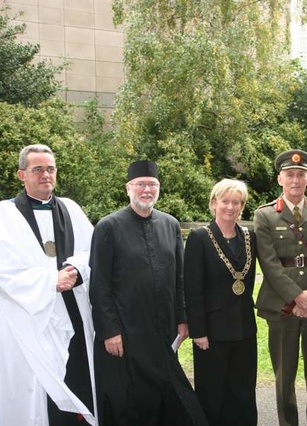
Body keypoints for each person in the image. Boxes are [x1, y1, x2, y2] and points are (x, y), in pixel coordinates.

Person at [0, 144, 96, 425]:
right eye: (38, 169)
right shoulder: (3, 214)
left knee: (77, 376)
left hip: (72, 311)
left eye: (50, 169)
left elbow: (93, 249)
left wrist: (74, 269)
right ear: (22, 175)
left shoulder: (71, 208)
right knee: (33, 387)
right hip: (28, 318)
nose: (46, 175)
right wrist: (50, 280)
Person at [89, 160, 206, 425]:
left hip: (163, 329)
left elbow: (180, 278)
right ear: (128, 189)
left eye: (152, 184)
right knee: (132, 401)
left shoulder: (171, 224)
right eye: (140, 184)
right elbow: (100, 285)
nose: (146, 190)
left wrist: (182, 318)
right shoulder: (107, 227)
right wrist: (109, 331)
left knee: (170, 395)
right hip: (127, 332)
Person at [254, 149, 307, 426]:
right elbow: (268, 263)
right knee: (284, 375)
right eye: (290, 175)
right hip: (281, 306)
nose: (295, 180)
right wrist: (296, 296)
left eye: (300, 175)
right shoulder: (264, 216)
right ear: (280, 179)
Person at [184, 178, 258, 425]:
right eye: (225, 201)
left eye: (236, 202)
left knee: (243, 391)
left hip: (244, 328)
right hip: (211, 332)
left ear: (242, 206)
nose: (230, 207)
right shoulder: (199, 237)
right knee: (212, 392)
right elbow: (192, 289)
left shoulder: (250, 237)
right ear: (214, 203)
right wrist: (198, 331)